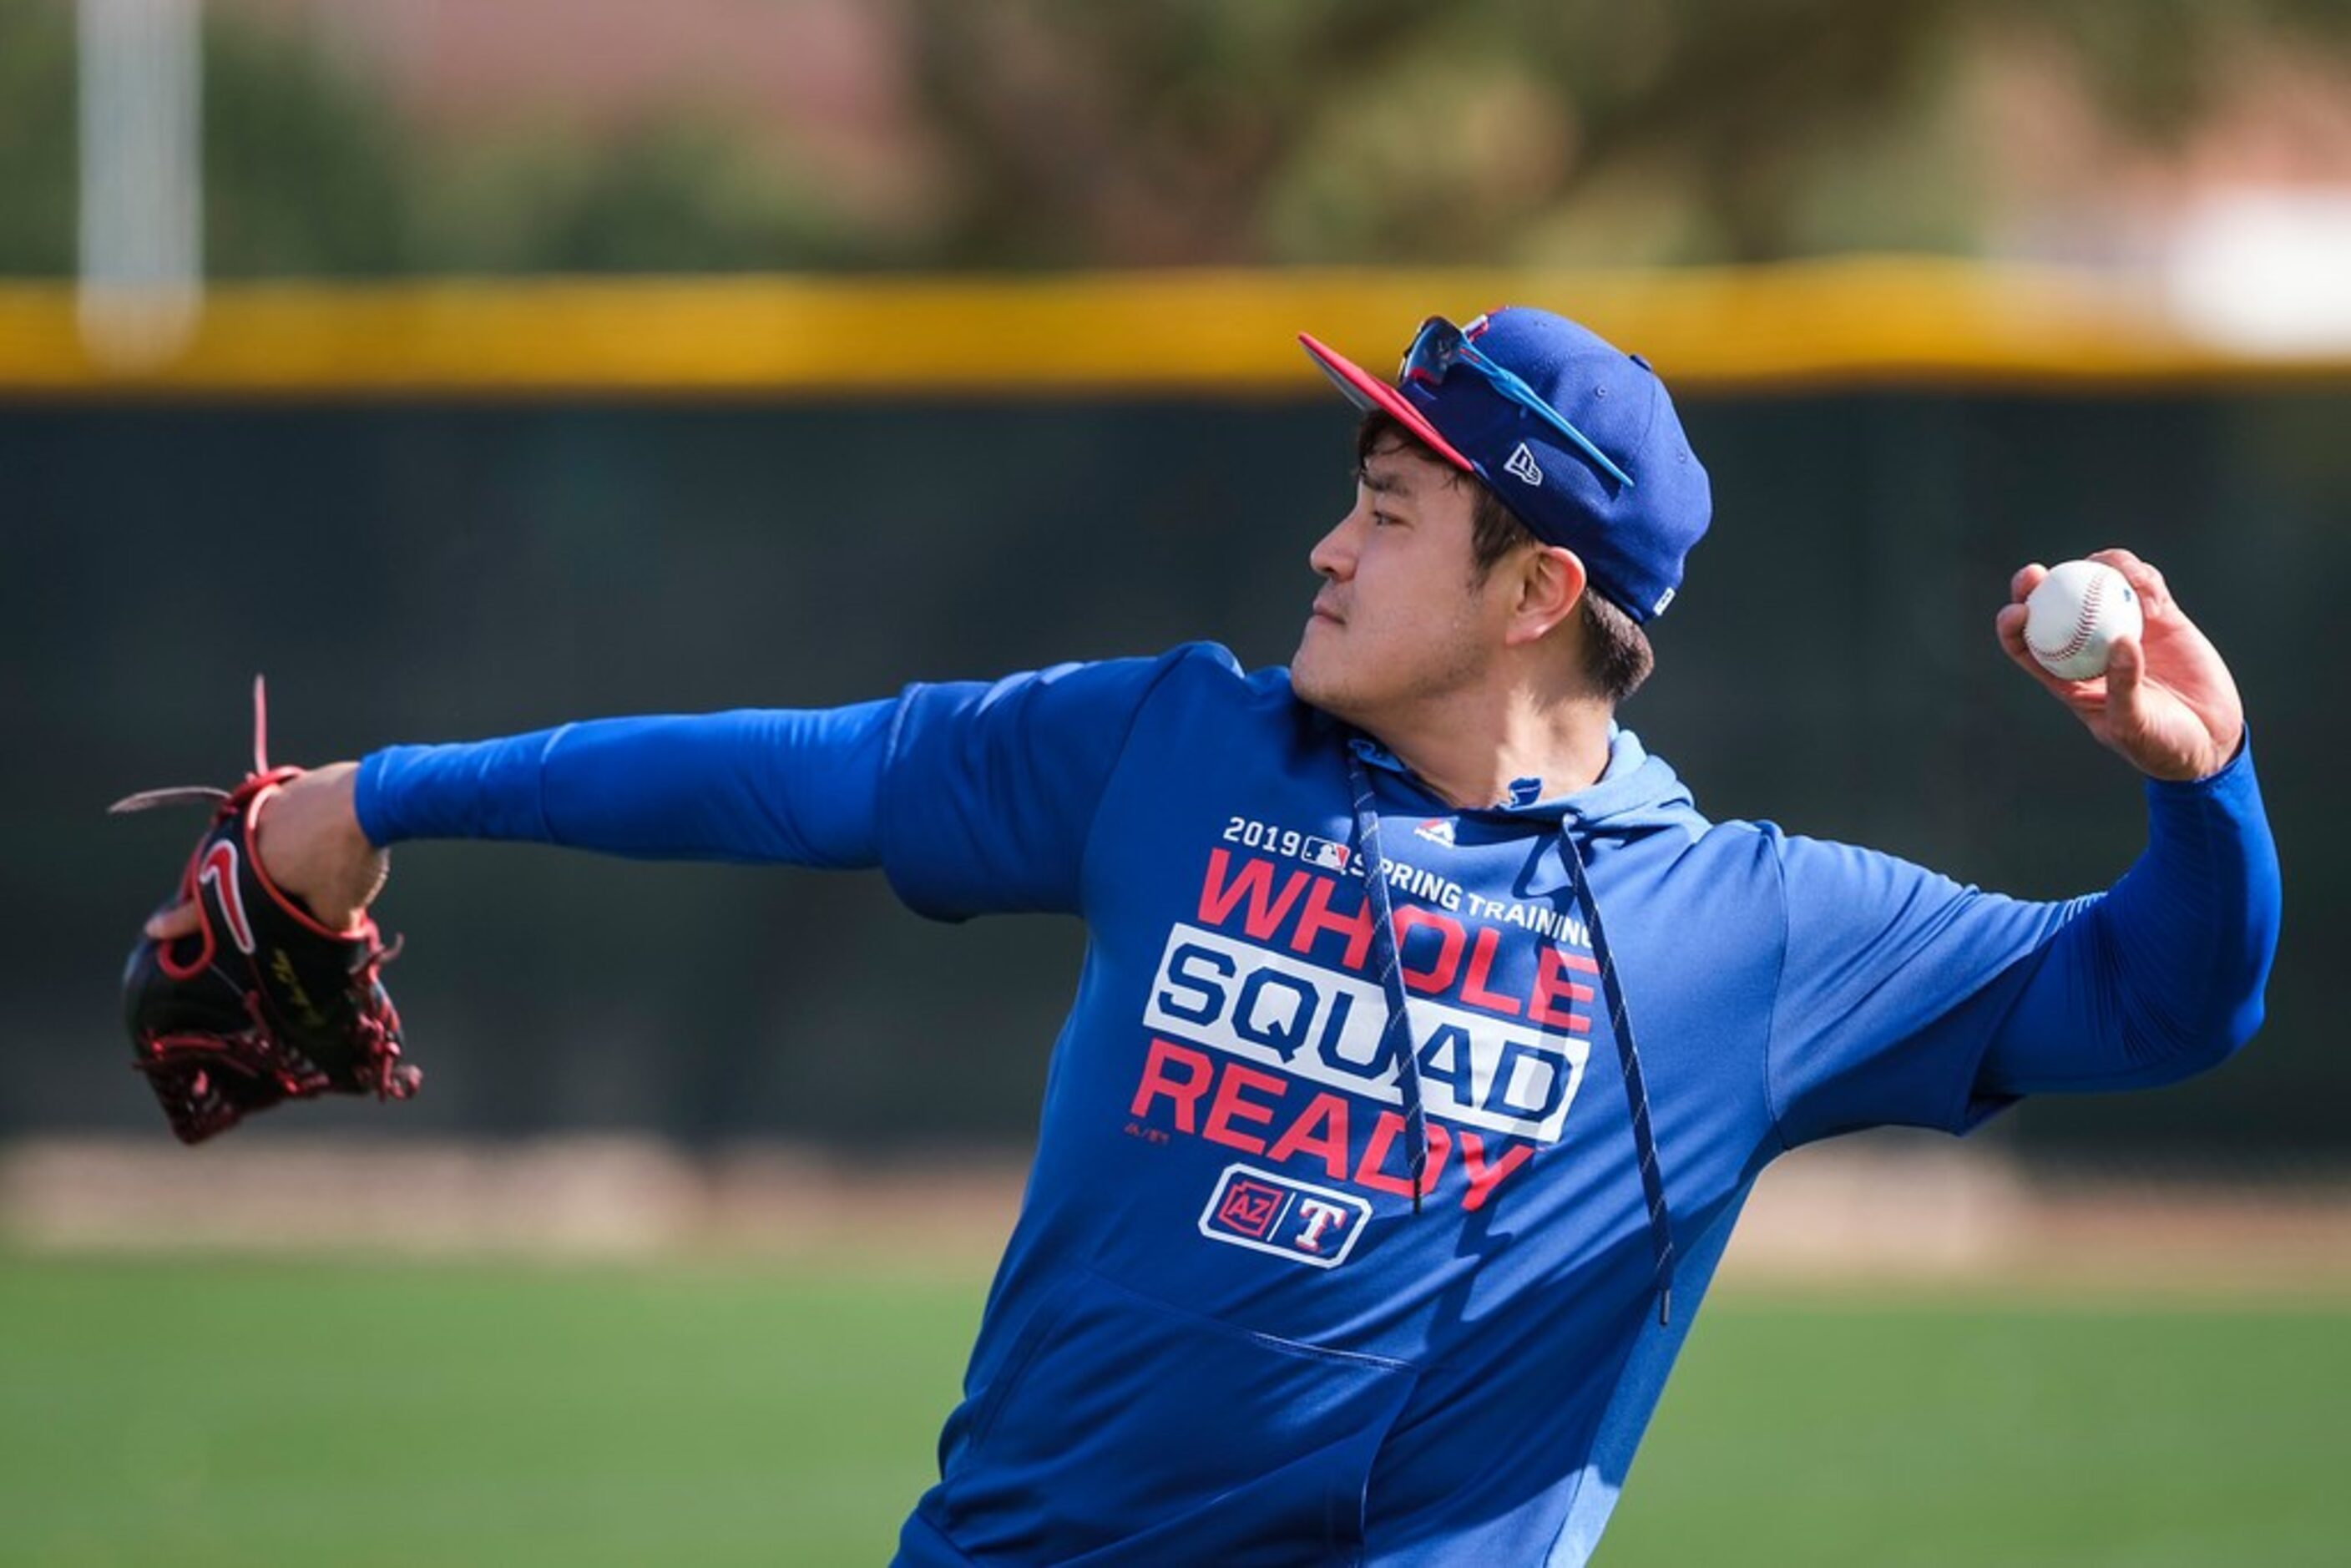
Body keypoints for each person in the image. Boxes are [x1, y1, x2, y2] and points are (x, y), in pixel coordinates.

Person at [145, 306, 2280, 1565]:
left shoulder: (1750, 935)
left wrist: (2202, 785)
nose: (1326, 547)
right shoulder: (1173, 750)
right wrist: (380, 796)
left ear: (1537, 591)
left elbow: (2155, 998)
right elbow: (785, 770)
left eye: (1385, 504)